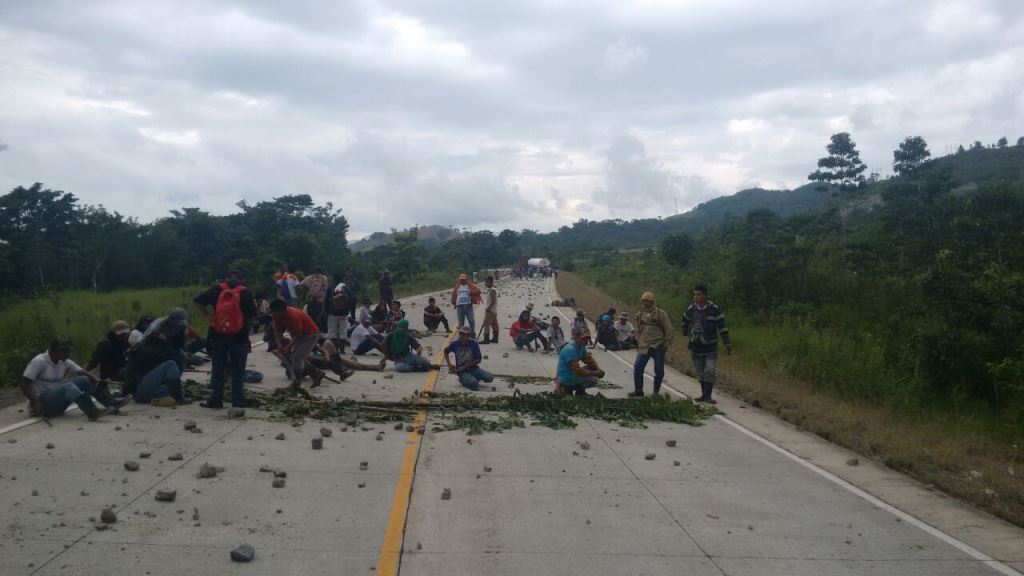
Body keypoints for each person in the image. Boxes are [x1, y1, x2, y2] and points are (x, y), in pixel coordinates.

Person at [193, 269, 258, 409]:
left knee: (218, 369)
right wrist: (247, 330)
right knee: (238, 370)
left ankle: (216, 400)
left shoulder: (217, 289)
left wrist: (209, 316)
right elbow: (252, 315)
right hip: (239, 337)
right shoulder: (245, 292)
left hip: (218, 335)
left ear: (226, 278)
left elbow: (197, 300)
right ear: (242, 279)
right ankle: (238, 400)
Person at [20, 339, 128, 420]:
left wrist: (98, 381)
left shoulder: (63, 361)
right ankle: (93, 412)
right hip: (43, 403)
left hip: (57, 401)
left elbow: (83, 372)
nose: (69, 355)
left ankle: (112, 404)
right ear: (56, 351)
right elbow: (23, 384)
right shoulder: (39, 361)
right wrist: (35, 401)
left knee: (84, 379)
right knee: (68, 387)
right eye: (66, 352)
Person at [682, 284, 733, 404]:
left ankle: (708, 396)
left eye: (698, 294)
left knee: (709, 370)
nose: (696, 297)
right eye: (695, 294)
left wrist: (727, 342)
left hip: (710, 346)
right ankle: (704, 395)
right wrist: (685, 330)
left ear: (705, 296)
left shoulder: (714, 309)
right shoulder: (691, 308)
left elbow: (722, 326)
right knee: (700, 373)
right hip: (696, 346)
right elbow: (684, 319)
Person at [270, 299, 325, 389]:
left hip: (310, 335)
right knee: (294, 357)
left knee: (297, 358)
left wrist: (289, 346)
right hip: (299, 335)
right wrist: (279, 344)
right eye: (272, 312)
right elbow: (278, 330)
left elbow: (299, 336)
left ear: (282, 310)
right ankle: (317, 373)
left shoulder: (292, 315)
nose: (274, 314)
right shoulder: (276, 315)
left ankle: (296, 383)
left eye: (275, 312)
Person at [123, 333, 188, 407]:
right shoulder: (144, 350)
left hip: (143, 391)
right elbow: (165, 358)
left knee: (181, 391)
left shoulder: (149, 347)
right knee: (170, 364)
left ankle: (157, 400)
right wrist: (166, 342)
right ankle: (178, 399)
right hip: (139, 390)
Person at [630, 291, 673, 397]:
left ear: (652, 302)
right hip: (644, 346)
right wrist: (637, 336)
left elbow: (669, 329)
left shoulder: (660, 314)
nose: (645, 303)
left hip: (658, 345)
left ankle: (655, 393)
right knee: (638, 367)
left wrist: (667, 343)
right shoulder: (639, 314)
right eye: (643, 301)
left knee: (658, 370)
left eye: (647, 301)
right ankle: (638, 390)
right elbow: (638, 328)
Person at [556, 329, 605, 396]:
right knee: (594, 380)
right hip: (566, 377)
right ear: (576, 337)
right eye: (583, 338)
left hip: (572, 373)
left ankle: (580, 391)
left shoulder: (581, 346)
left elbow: (589, 360)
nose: (586, 341)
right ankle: (567, 388)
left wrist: (598, 369)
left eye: (587, 338)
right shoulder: (570, 349)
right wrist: (595, 373)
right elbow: (578, 370)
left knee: (591, 367)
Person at [444, 325, 494, 390]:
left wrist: (467, 365)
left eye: (464, 334)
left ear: (468, 335)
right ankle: (463, 379)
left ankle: (473, 377)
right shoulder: (455, 344)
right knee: (473, 383)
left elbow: (478, 359)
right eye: (460, 333)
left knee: (490, 378)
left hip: (474, 369)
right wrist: (449, 364)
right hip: (463, 372)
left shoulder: (474, 344)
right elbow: (445, 352)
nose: (462, 336)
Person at [450, 273, 482, 337]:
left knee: (471, 320)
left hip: (468, 306)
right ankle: (462, 335)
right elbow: (454, 295)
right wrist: (454, 303)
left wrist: (472, 293)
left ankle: (472, 334)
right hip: (460, 306)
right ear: (459, 280)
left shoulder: (470, 286)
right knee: (461, 322)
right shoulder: (457, 286)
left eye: (464, 279)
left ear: (466, 279)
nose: (462, 281)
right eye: (461, 280)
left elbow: (479, 291)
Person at [325, 280, 352, 346]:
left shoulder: (330, 288)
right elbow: (351, 299)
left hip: (333, 314)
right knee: (343, 333)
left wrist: (326, 312)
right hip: (344, 314)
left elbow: (326, 301)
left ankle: (334, 349)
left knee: (331, 333)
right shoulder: (345, 288)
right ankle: (342, 350)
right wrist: (348, 310)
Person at [481, 275, 499, 344]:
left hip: (490, 311)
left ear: (490, 282)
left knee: (486, 324)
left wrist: (488, 308)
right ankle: (495, 338)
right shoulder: (492, 289)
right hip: (493, 310)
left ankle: (486, 339)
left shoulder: (492, 290)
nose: (485, 283)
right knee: (494, 324)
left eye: (486, 282)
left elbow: (493, 300)